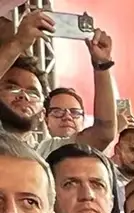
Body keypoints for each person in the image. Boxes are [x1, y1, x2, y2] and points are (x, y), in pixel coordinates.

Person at [0, 13, 116, 155]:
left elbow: (104, 133)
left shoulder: (51, 152)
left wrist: (102, 65)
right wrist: (18, 43)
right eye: (12, 88)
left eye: (33, 93)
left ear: (43, 114)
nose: (24, 96)